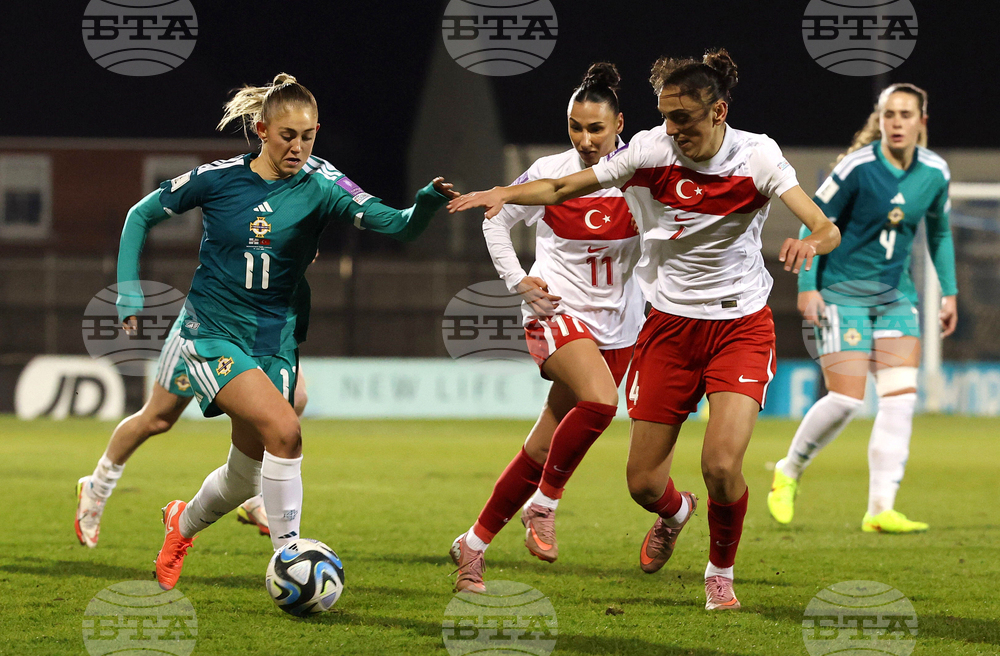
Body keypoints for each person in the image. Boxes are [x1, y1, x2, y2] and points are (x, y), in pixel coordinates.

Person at [450, 49, 841, 610]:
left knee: (718, 464)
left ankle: (717, 573)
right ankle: (588, 506)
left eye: (682, 117)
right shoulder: (646, 152)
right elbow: (561, 189)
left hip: (728, 325)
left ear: (718, 113)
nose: (672, 129)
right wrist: (505, 198)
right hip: (637, 324)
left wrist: (810, 240)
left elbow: (825, 225)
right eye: (664, 115)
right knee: (624, 450)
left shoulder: (756, 156)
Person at [115, 73, 457, 590]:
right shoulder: (218, 179)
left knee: (241, 477)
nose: (298, 147)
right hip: (211, 332)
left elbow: (397, 224)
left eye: (308, 136)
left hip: (274, 340)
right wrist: (128, 293)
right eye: (286, 136)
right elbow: (140, 215)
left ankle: (180, 524)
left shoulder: (322, 183)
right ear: (261, 130)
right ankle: (290, 559)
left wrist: (425, 204)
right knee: (286, 430)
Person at [449, 63, 643, 593]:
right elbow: (498, 217)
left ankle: (473, 544)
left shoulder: (642, 178)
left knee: (542, 446)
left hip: (620, 327)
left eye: (595, 128)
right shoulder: (550, 170)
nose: (584, 139)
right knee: (601, 403)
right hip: (557, 312)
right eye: (575, 126)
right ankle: (545, 505)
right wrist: (518, 283)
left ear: (619, 124)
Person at [767, 83, 956, 533]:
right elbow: (814, 219)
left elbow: (941, 233)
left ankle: (879, 508)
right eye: (889, 114)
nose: (897, 122)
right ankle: (788, 470)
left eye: (906, 114)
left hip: (897, 298)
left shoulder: (935, 172)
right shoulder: (857, 166)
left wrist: (948, 293)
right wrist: (809, 284)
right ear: (880, 119)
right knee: (847, 401)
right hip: (842, 292)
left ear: (921, 121)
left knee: (899, 401)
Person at [73, 309, 309, 548]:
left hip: (261, 325)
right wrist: (129, 295)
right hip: (209, 325)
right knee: (158, 418)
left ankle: (255, 496)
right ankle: (97, 486)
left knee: (295, 398)